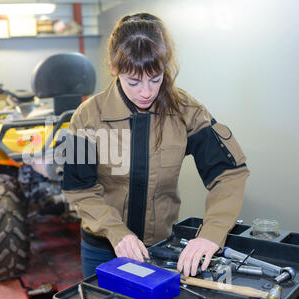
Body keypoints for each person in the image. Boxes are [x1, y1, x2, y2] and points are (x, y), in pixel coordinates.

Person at [62, 13, 250, 278]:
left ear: (165, 66)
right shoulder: (87, 116)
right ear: (115, 69)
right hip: (103, 248)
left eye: (155, 78)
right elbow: (78, 189)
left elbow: (228, 173)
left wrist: (211, 234)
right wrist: (116, 232)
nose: (147, 92)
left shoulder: (187, 111)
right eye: (134, 82)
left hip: (161, 248)